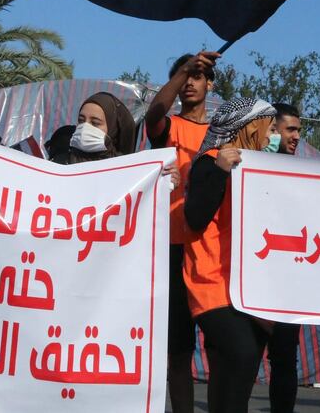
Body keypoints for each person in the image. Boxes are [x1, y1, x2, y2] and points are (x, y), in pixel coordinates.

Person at [184, 97, 278, 413]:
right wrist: (221, 172)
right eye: (270, 126)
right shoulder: (209, 163)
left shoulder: (258, 169)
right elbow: (195, 218)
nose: (272, 134)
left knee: (231, 372)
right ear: (252, 125)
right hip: (211, 285)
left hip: (245, 288)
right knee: (242, 353)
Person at [144, 51, 218, 413]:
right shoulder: (168, 127)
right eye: (183, 76)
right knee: (178, 354)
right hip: (173, 249)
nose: (190, 82)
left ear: (210, 84)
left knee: (223, 348)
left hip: (215, 253)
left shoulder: (225, 134)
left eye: (198, 75)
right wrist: (185, 68)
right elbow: (153, 115)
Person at [265, 103, 302, 413]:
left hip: (289, 285)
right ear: (272, 131)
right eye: (291, 129)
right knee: (245, 358)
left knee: (285, 360)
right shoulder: (249, 166)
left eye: (299, 131)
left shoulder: (305, 172)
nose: (297, 137)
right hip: (253, 281)